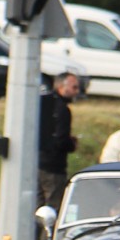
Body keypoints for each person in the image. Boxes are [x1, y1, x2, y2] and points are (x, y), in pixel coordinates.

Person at [37, 71, 82, 210]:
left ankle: (33, 232)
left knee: (36, 209)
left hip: (35, 164)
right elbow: (61, 140)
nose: (77, 91)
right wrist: (72, 144)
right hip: (53, 168)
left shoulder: (41, 102)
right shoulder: (62, 109)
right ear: (63, 87)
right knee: (53, 209)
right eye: (74, 87)